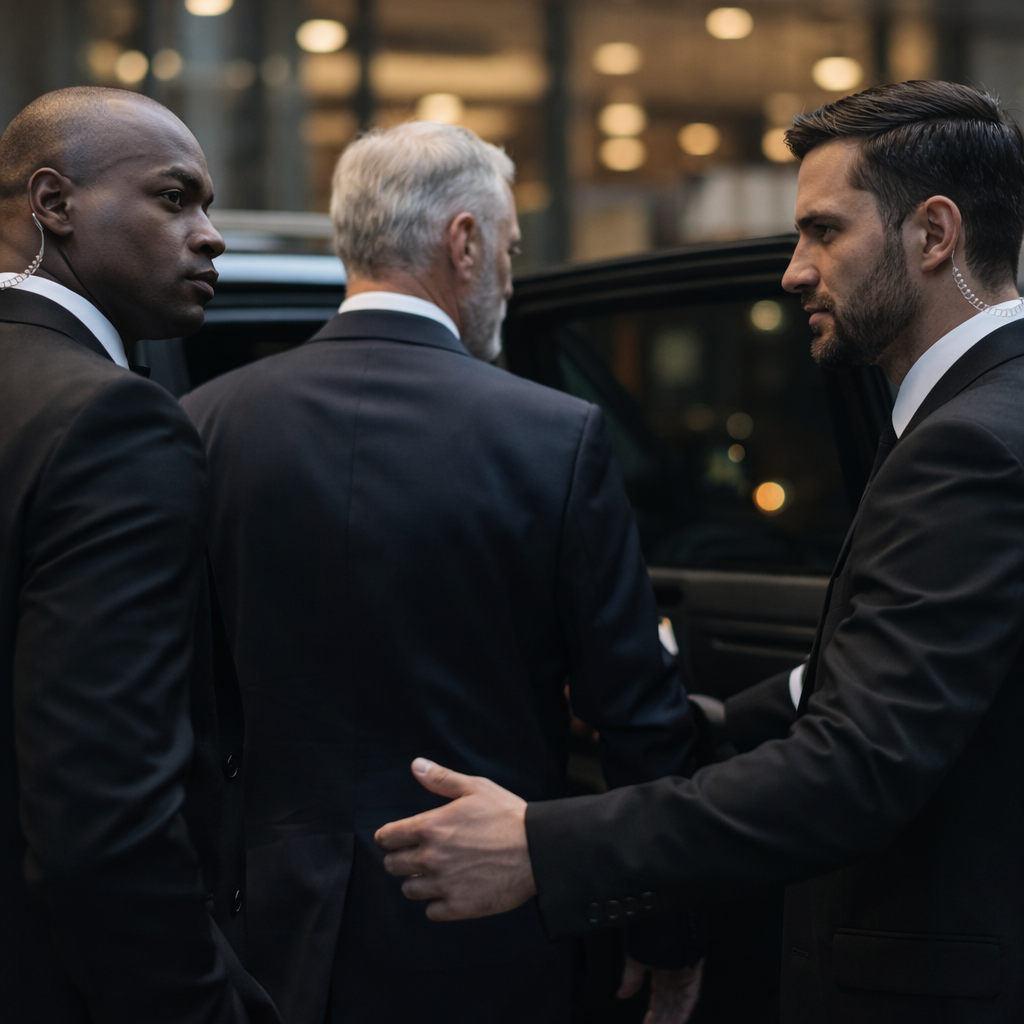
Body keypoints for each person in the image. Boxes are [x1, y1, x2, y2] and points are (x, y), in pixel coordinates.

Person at [375, 81, 1024, 1022]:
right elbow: (899, 669)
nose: (795, 271)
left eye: (823, 231)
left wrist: (541, 846)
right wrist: (709, 725)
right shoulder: (986, 412)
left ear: (934, 235)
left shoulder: (967, 445)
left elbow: (856, 770)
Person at [182, 121, 701, 1024]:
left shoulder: (204, 423)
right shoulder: (555, 435)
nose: (507, 275)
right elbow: (638, 715)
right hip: (477, 930)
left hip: (258, 930)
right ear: (463, 242)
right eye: (506, 249)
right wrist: (665, 933)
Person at [0, 88, 278, 1023]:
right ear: (53, 203)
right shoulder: (111, 421)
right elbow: (104, 822)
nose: (210, 235)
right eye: (174, 197)